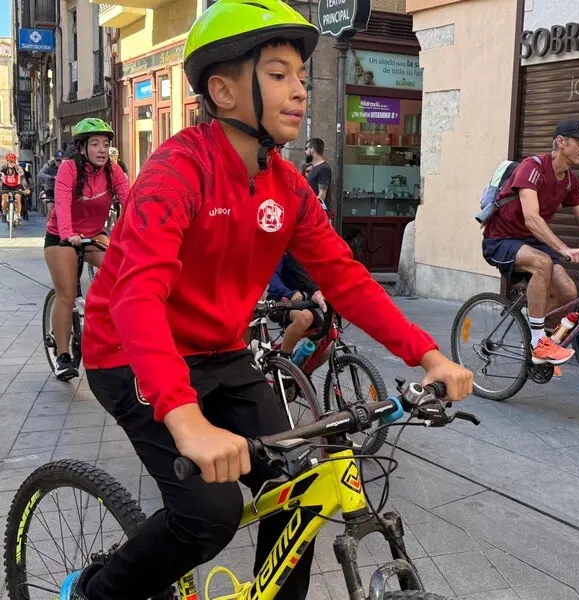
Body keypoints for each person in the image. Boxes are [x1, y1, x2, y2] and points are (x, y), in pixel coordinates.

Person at [64, 2, 473, 600]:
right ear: (223, 90)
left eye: (302, 77)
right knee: (208, 513)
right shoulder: (175, 171)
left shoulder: (287, 185)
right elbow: (137, 295)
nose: (300, 90)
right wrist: (186, 421)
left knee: (301, 484)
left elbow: (347, 278)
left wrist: (429, 356)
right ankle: (97, 594)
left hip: (223, 352)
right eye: (279, 74)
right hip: (129, 355)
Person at [482, 118, 579, 366]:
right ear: (561, 142)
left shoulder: (569, 180)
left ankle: (538, 339)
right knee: (542, 262)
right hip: (501, 239)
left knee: (568, 293)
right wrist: (564, 248)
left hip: (531, 241)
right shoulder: (532, 168)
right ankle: (536, 343)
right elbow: (532, 218)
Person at [44, 118, 129, 381]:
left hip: (94, 234)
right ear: (82, 148)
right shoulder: (69, 169)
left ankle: (110, 326)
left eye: (105, 144)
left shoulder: (112, 171)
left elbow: (130, 200)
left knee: (123, 268)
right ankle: (62, 355)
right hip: (61, 236)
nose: (102, 150)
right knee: (66, 293)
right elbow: (62, 202)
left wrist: (141, 230)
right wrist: (68, 234)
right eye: (95, 144)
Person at [1, 153, 29, 226]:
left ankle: (18, 216)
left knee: (18, 198)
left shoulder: (18, 168)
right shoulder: (3, 168)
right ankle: (4, 213)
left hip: (17, 185)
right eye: (10, 161)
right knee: (4, 198)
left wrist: (26, 188)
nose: (12, 163)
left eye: (13, 161)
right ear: (7, 161)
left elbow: (23, 179)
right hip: (6, 185)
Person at [305, 137, 331, 210]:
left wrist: (312, 211)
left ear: (312, 149)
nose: (305, 152)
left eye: (307, 148)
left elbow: (322, 194)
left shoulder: (323, 168)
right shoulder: (314, 167)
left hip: (319, 213)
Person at [37, 150, 65, 217]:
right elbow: (40, 174)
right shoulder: (49, 164)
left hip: (61, 188)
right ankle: (48, 227)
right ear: (54, 159)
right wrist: (51, 177)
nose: (59, 162)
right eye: (57, 160)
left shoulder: (66, 164)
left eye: (60, 160)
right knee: (51, 208)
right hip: (50, 188)